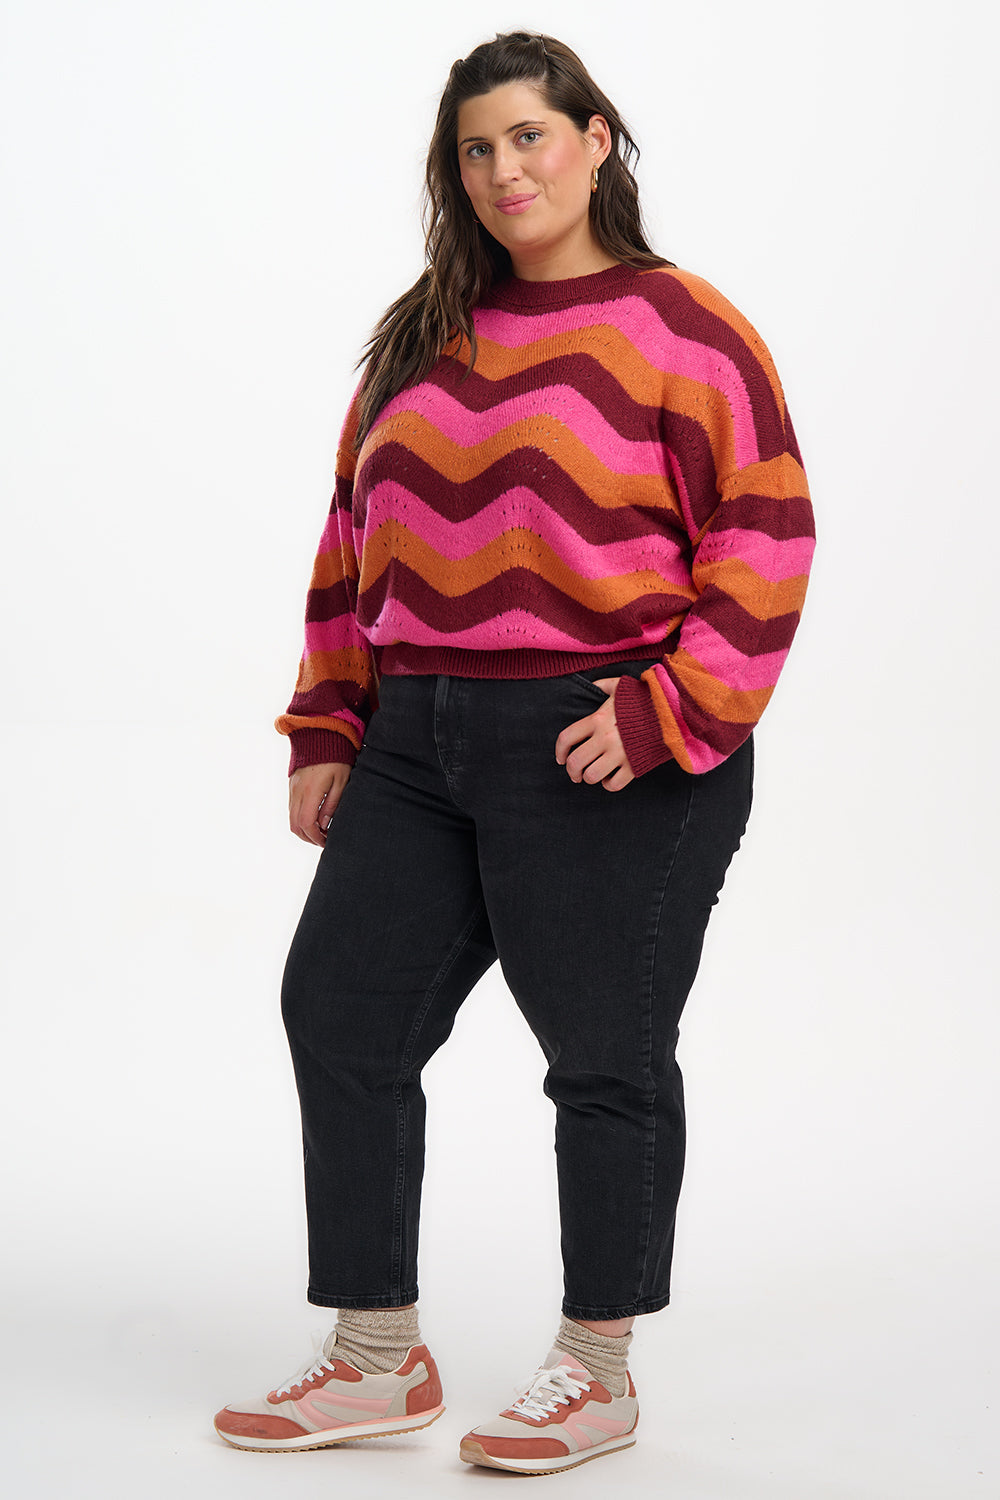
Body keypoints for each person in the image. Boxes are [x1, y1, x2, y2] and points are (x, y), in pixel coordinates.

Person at [213, 29, 814, 1475]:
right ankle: (376, 1354)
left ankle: (598, 1368)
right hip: (418, 736)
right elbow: (352, 542)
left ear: (597, 140)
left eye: (530, 137)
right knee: (342, 1014)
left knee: (604, 1054)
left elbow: (766, 534)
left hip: (607, 738)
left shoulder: (688, 329)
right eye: (476, 149)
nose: (504, 170)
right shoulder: (424, 331)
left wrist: (670, 715)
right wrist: (329, 724)